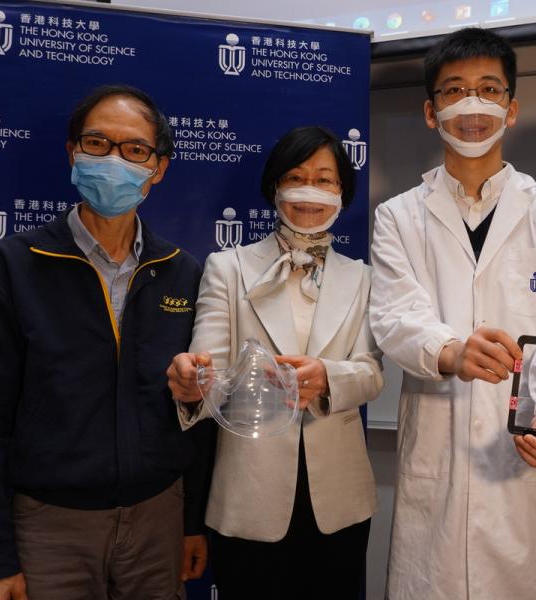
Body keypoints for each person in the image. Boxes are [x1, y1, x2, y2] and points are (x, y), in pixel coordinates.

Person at [0, 84, 209, 600]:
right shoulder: (11, 267)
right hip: (48, 527)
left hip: (158, 519)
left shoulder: (180, 272)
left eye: (135, 149)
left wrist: (192, 520)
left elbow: (197, 413)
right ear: (73, 153)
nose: (114, 160)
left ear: (158, 168)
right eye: (97, 144)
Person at [369, 28, 536, 600]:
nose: (472, 105)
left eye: (488, 90)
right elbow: (397, 316)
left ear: (511, 108)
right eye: (454, 91)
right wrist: (451, 351)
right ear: (431, 111)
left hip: (525, 465)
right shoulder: (399, 217)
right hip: (439, 463)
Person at [167, 126, 383, 599]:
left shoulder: (364, 277)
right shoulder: (228, 267)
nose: (310, 191)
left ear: (342, 192)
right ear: (274, 189)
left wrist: (328, 377)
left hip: (339, 498)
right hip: (250, 492)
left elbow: (371, 372)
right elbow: (210, 373)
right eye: (296, 176)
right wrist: (192, 384)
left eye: (325, 179)